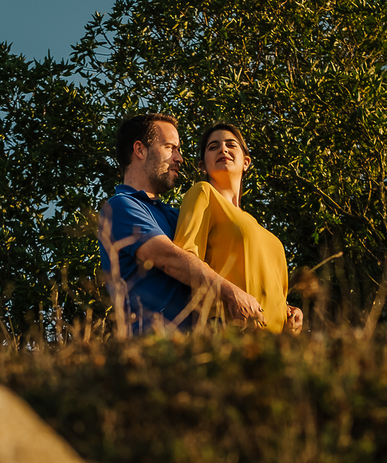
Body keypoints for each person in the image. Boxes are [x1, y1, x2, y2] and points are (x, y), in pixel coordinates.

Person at [100, 113, 265, 334]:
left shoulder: (176, 216)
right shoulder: (120, 207)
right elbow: (169, 259)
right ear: (140, 150)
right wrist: (230, 292)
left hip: (198, 345)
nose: (179, 158)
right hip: (152, 346)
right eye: (170, 148)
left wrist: (280, 307)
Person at [174, 123, 302, 334]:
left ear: (246, 162)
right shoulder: (204, 193)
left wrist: (290, 311)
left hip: (276, 342)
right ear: (203, 166)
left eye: (231, 145)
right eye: (213, 147)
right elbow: (184, 259)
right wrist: (230, 293)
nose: (223, 149)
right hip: (230, 333)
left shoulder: (258, 227)